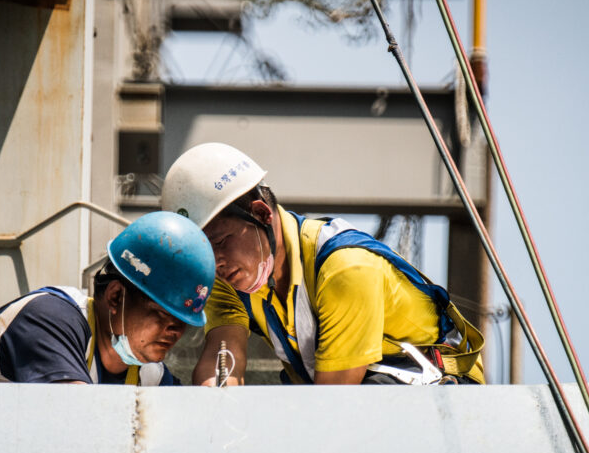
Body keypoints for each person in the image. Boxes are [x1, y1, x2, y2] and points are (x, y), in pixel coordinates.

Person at [160, 142, 486, 386]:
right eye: (204, 252)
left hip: (440, 394)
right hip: (353, 399)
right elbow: (223, 357)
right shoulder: (229, 277)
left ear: (261, 214)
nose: (215, 263)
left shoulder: (345, 269)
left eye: (220, 243)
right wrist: (214, 406)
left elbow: (332, 406)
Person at [0, 211, 215, 385]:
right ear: (116, 297)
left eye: (182, 321)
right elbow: (76, 424)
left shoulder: (149, 374)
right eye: (163, 314)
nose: (175, 331)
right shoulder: (48, 319)